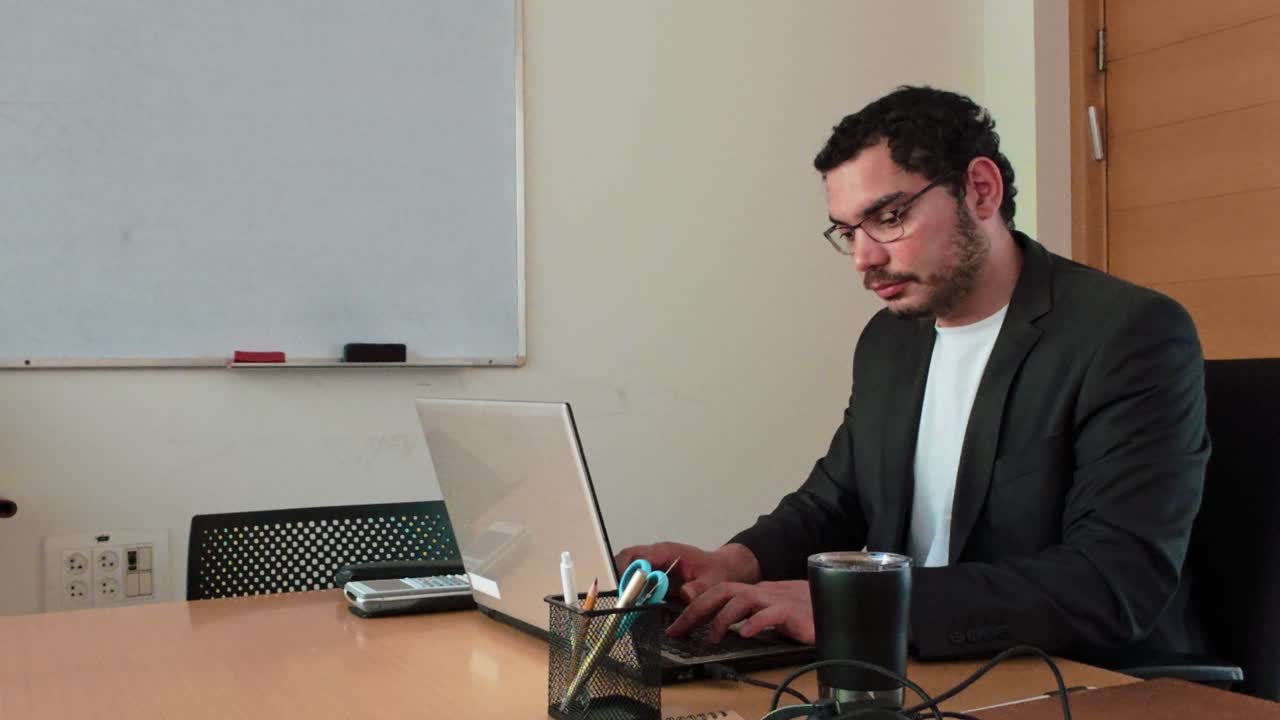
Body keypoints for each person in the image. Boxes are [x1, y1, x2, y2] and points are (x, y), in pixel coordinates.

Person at [617, 86, 1210, 661]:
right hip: (908, 667)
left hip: (1080, 677)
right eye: (848, 231)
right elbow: (836, 500)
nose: (865, 258)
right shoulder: (890, 339)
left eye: (889, 216)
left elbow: (1112, 580)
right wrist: (732, 562)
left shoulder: (1126, 333)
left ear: (980, 190)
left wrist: (860, 606)